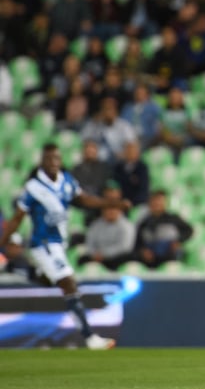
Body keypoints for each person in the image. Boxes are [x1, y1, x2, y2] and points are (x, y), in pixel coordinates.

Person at [0, 144, 129, 349]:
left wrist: (111, 204)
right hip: (43, 243)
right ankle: (89, 337)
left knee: (51, 282)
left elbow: (84, 200)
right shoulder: (34, 187)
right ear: (42, 161)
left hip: (60, 243)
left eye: (57, 159)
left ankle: (20, 268)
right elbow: (17, 217)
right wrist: (2, 242)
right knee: (69, 283)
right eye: (49, 159)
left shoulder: (67, 181)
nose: (53, 163)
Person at [134, 190, 193, 269]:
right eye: (154, 201)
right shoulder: (144, 223)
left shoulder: (173, 219)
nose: (157, 204)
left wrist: (178, 241)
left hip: (169, 251)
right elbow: (138, 242)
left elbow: (188, 230)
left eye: (160, 201)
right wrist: (143, 251)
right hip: (150, 254)